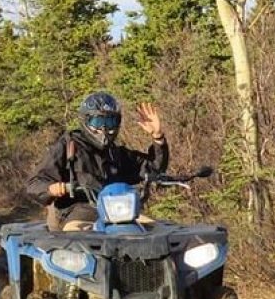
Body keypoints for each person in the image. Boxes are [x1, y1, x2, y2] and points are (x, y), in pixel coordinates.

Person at [26, 92, 169, 231]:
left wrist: (158, 137)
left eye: (110, 121)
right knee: (75, 236)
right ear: (86, 120)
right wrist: (51, 188)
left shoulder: (116, 153)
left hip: (118, 211)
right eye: (98, 121)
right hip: (76, 213)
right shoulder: (68, 146)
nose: (104, 129)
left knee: (157, 229)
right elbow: (35, 183)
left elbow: (153, 168)